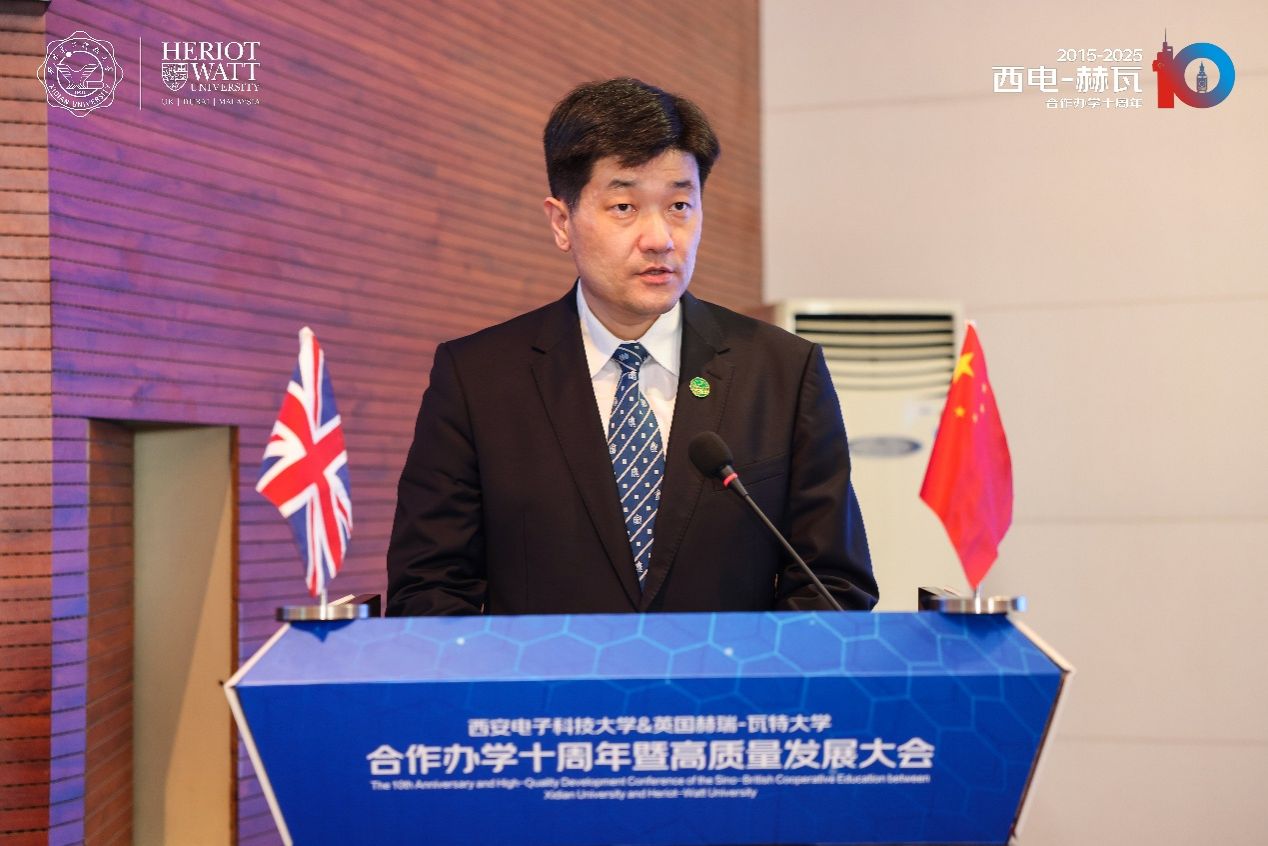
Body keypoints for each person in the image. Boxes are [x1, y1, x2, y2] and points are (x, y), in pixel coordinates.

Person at [386, 78, 877, 616]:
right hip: (546, 674)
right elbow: (430, 590)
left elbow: (833, 585)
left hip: (730, 673)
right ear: (561, 222)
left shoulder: (783, 372)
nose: (660, 238)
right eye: (624, 206)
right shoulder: (477, 380)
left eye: (680, 205)